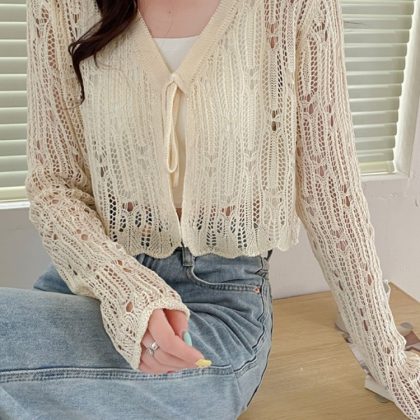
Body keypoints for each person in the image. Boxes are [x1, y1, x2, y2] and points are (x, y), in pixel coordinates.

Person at [0, 0, 418, 419]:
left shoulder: (295, 8)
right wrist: (125, 290)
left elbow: (332, 200)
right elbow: (55, 185)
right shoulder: (60, 7)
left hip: (215, 309)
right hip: (94, 286)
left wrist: (391, 363)